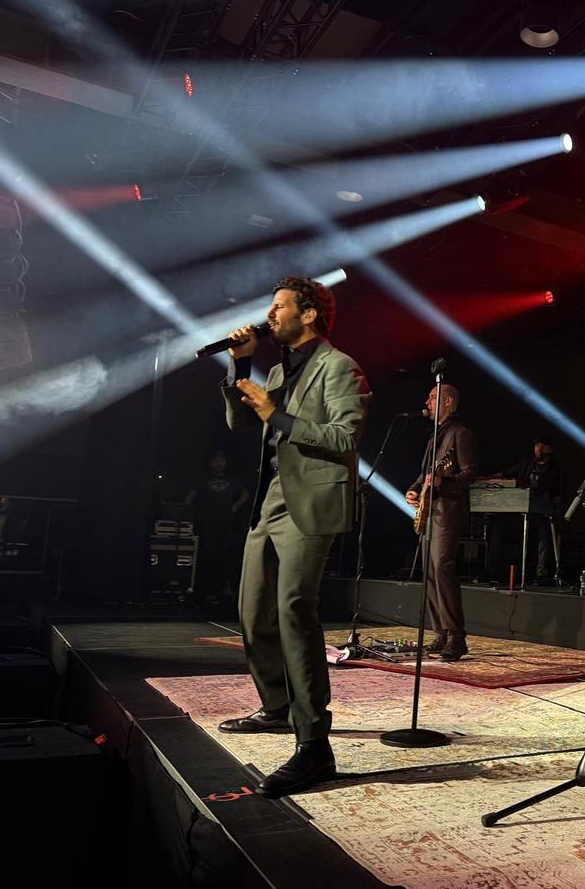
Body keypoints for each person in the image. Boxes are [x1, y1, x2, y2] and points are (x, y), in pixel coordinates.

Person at [215, 276, 371, 798]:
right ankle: (277, 708)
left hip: (311, 501)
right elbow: (241, 423)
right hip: (271, 500)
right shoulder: (279, 368)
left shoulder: (339, 366)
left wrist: (273, 411)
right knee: (252, 610)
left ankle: (313, 747)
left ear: (309, 314)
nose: (269, 314)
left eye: (278, 306)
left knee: (293, 611)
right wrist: (240, 366)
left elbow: (345, 437)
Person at [404, 384, 476, 661]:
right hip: (430, 511)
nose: (427, 401)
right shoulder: (436, 437)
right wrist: (414, 487)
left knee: (442, 568)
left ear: (448, 401)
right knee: (430, 571)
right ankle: (441, 633)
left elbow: (469, 474)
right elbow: (425, 475)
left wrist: (444, 482)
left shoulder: (461, 434)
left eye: (432, 397)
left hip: (448, 511)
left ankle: (457, 637)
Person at [482, 436, 563, 585]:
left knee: (544, 533)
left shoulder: (555, 469)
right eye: (536, 445)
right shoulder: (527, 463)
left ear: (549, 449)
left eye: (542, 445)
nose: (538, 449)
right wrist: (485, 479)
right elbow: (506, 474)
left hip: (541, 514)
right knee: (497, 524)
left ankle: (542, 575)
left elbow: (555, 497)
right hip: (518, 511)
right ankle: (492, 572)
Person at [185, 451, 249, 612]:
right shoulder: (203, 479)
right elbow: (189, 497)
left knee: (223, 556)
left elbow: (245, 493)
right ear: (210, 463)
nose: (219, 463)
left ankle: (221, 590)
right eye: (216, 461)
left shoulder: (231, 480)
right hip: (206, 525)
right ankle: (202, 592)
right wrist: (188, 514)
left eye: (222, 460)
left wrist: (235, 506)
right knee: (206, 556)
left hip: (225, 525)